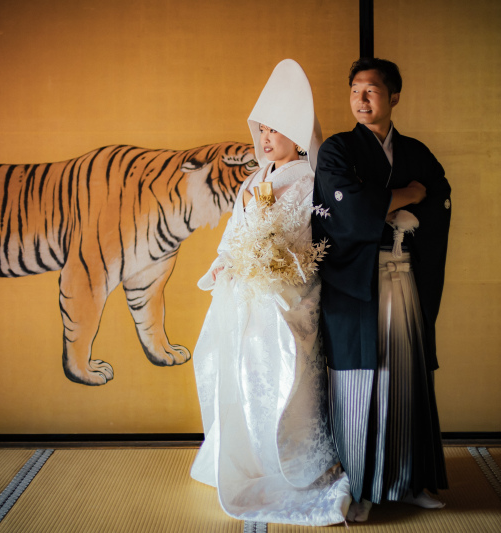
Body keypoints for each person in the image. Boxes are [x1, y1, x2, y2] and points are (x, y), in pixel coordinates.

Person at [190, 59, 351, 526]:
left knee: (277, 377)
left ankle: (289, 462)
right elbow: (234, 234)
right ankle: (249, 458)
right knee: (238, 376)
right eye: (262, 129)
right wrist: (224, 263)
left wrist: (264, 258)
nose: (265, 138)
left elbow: (296, 237)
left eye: (275, 130)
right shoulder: (253, 179)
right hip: (245, 294)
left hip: (282, 296)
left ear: (297, 135)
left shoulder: (306, 179)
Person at [311, 58, 451, 522]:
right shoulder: (337, 150)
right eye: (355, 90)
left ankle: (407, 481)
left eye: (371, 90)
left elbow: (439, 197)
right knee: (357, 385)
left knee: (405, 378)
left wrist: (387, 203)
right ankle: (358, 486)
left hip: (403, 277)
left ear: (394, 97)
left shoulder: (416, 152)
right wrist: (407, 196)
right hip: (355, 285)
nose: (361, 98)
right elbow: (348, 211)